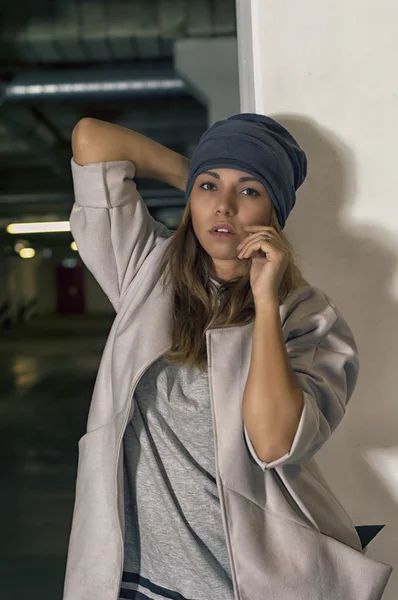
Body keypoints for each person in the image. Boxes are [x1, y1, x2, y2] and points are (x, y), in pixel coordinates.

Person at [63, 114, 393, 600]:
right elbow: (91, 138)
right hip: (134, 578)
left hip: (244, 583)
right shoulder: (144, 273)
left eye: (250, 191)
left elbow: (274, 443)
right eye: (209, 187)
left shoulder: (307, 317)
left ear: (274, 212)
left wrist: (264, 302)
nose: (224, 206)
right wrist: (196, 171)